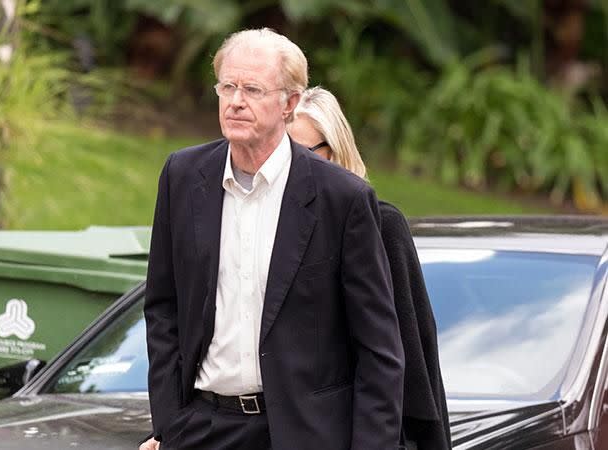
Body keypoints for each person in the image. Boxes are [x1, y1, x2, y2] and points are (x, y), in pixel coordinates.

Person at [141, 29, 404, 450]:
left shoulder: (342, 198)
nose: (236, 100)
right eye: (227, 86)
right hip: (204, 428)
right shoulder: (183, 176)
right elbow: (163, 307)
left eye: (252, 89)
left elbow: (378, 347)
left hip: (307, 434)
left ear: (290, 104)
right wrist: (170, 423)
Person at [287, 86, 452, 449]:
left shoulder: (381, 226)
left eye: (302, 153)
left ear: (335, 152)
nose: (288, 167)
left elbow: (414, 350)